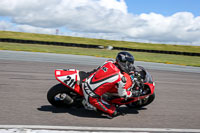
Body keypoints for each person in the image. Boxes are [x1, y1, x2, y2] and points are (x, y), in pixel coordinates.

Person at [81, 51, 135, 118]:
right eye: (128, 64)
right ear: (122, 63)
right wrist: (131, 93)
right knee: (113, 112)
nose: (130, 66)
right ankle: (91, 105)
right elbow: (123, 94)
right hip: (91, 96)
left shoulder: (109, 62)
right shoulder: (121, 78)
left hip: (86, 80)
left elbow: (98, 69)